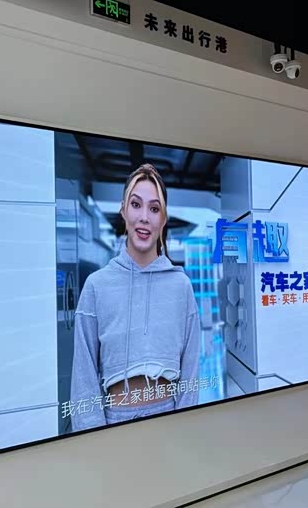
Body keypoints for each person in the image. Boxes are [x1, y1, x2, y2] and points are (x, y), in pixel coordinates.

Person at [70, 163, 201, 431]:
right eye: (136, 204)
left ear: (163, 219)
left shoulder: (181, 286)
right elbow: (83, 379)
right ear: (123, 211)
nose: (144, 217)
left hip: (170, 421)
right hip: (114, 422)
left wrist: (185, 430)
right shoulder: (96, 286)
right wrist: (94, 440)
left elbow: (191, 372)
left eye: (154, 209)